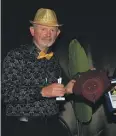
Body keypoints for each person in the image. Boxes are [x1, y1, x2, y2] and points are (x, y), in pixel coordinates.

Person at [1, 8, 75, 136]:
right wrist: (42, 91)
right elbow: (6, 93)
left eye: (52, 30)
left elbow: (55, 96)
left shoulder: (54, 61)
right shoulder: (16, 56)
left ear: (57, 34)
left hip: (53, 126)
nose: (48, 34)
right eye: (43, 29)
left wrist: (66, 90)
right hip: (24, 128)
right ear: (32, 31)